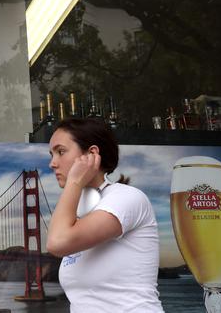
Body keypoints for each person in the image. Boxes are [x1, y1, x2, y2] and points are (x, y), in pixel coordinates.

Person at [46, 118, 164, 312]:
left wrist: (74, 182)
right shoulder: (78, 214)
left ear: (92, 154)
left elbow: (57, 243)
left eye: (61, 152)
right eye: (51, 154)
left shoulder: (126, 197)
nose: (52, 163)